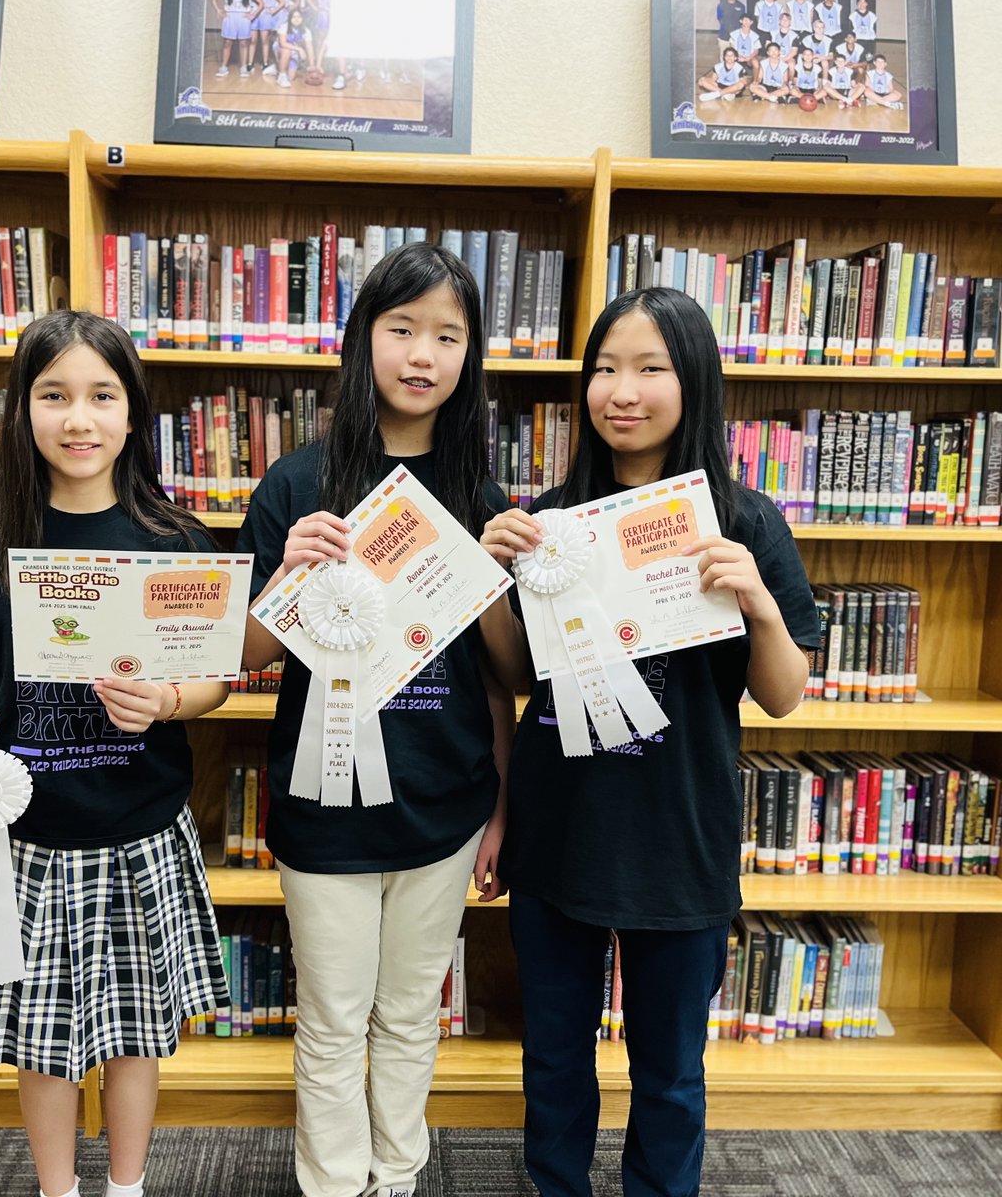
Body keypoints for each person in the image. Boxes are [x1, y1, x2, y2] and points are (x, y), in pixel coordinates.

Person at [480, 286, 818, 1197]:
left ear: (693, 381)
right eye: (604, 369)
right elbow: (518, 678)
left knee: (670, 1074)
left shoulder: (744, 523)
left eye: (650, 369)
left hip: (680, 839)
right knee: (555, 1060)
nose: (620, 391)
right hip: (562, 833)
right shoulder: (550, 523)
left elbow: (783, 698)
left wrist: (757, 602)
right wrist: (488, 580)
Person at [0, 311, 231, 1197]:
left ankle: (125, 1186)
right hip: (26, 842)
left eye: (102, 395)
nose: (79, 419)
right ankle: (59, 1191)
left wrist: (170, 699)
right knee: (38, 1041)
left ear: (134, 415)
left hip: (138, 830)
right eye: (53, 396)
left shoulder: (172, 541)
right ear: (21, 413)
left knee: (136, 1032)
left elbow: (211, 677)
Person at [237, 241, 515, 1197]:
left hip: (447, 802)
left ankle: (396, 1178)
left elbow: (504, 676)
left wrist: (501, 808)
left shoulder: (481, 492)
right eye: (402, 330)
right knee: (331, 1016)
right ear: (364, 342)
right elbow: (244, 657)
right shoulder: (296, 483)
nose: (422, 355)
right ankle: (332, 1182)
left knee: (407, 1014)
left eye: (447, 335)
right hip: (324, 808)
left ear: (470, 355)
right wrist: (285, 581)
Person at [214, 0, 264, 79]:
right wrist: (218, 10)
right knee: (227, 42)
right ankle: (224, 66)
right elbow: (214, 0)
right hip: (230, 17)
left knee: (244, 43)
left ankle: (243, 67)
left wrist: (253, 15)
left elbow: (261, 4)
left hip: (243, 18)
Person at [251, 0, 286, 77]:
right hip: (254, 14)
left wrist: (272, 11)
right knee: (253, 40)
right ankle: (250, 62)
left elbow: (282, 2)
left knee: (265, 40)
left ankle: (265, 62)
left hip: (265, 14)